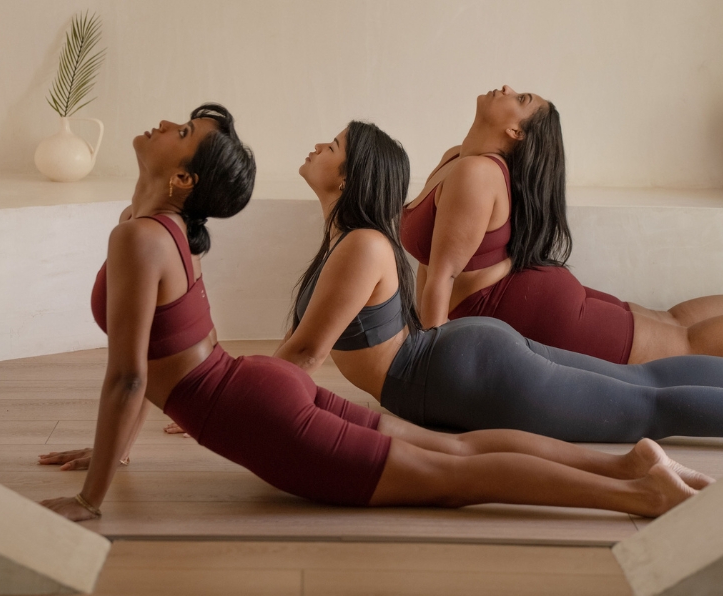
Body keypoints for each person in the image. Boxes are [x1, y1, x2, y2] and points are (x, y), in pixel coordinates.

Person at [39, 106, 708, 522]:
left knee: (455, 475)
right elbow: (168, 354)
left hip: (268, 400)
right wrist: (112, 450)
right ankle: (626, 468)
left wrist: (92, 498)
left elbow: (133, 376)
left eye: (182, 131)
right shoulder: (164, 232)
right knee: (457, 455)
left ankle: (639, 493)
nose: (162, 125)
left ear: (184, 181)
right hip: (261, 392)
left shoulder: (145, 236)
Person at [274, 120, 723, 445]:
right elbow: (301, 346)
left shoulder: (361, 245)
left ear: (350, 177)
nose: (318, 146)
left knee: (646, 409)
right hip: (465, 360)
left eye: (332, 145)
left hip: (465, 369)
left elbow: (306, 353)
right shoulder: (346, 243)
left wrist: (239, 398)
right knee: (643, 384)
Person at [401, 85, 723, 363]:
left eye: (520, 97)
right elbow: (433, 268)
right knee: (670, 320)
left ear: (516, 131)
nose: (506, 87)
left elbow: (443, 276)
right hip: (532, 297)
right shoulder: (456, 158)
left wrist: (429, 365)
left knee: (685, 344)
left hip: (538, 310)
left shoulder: (476, 174)